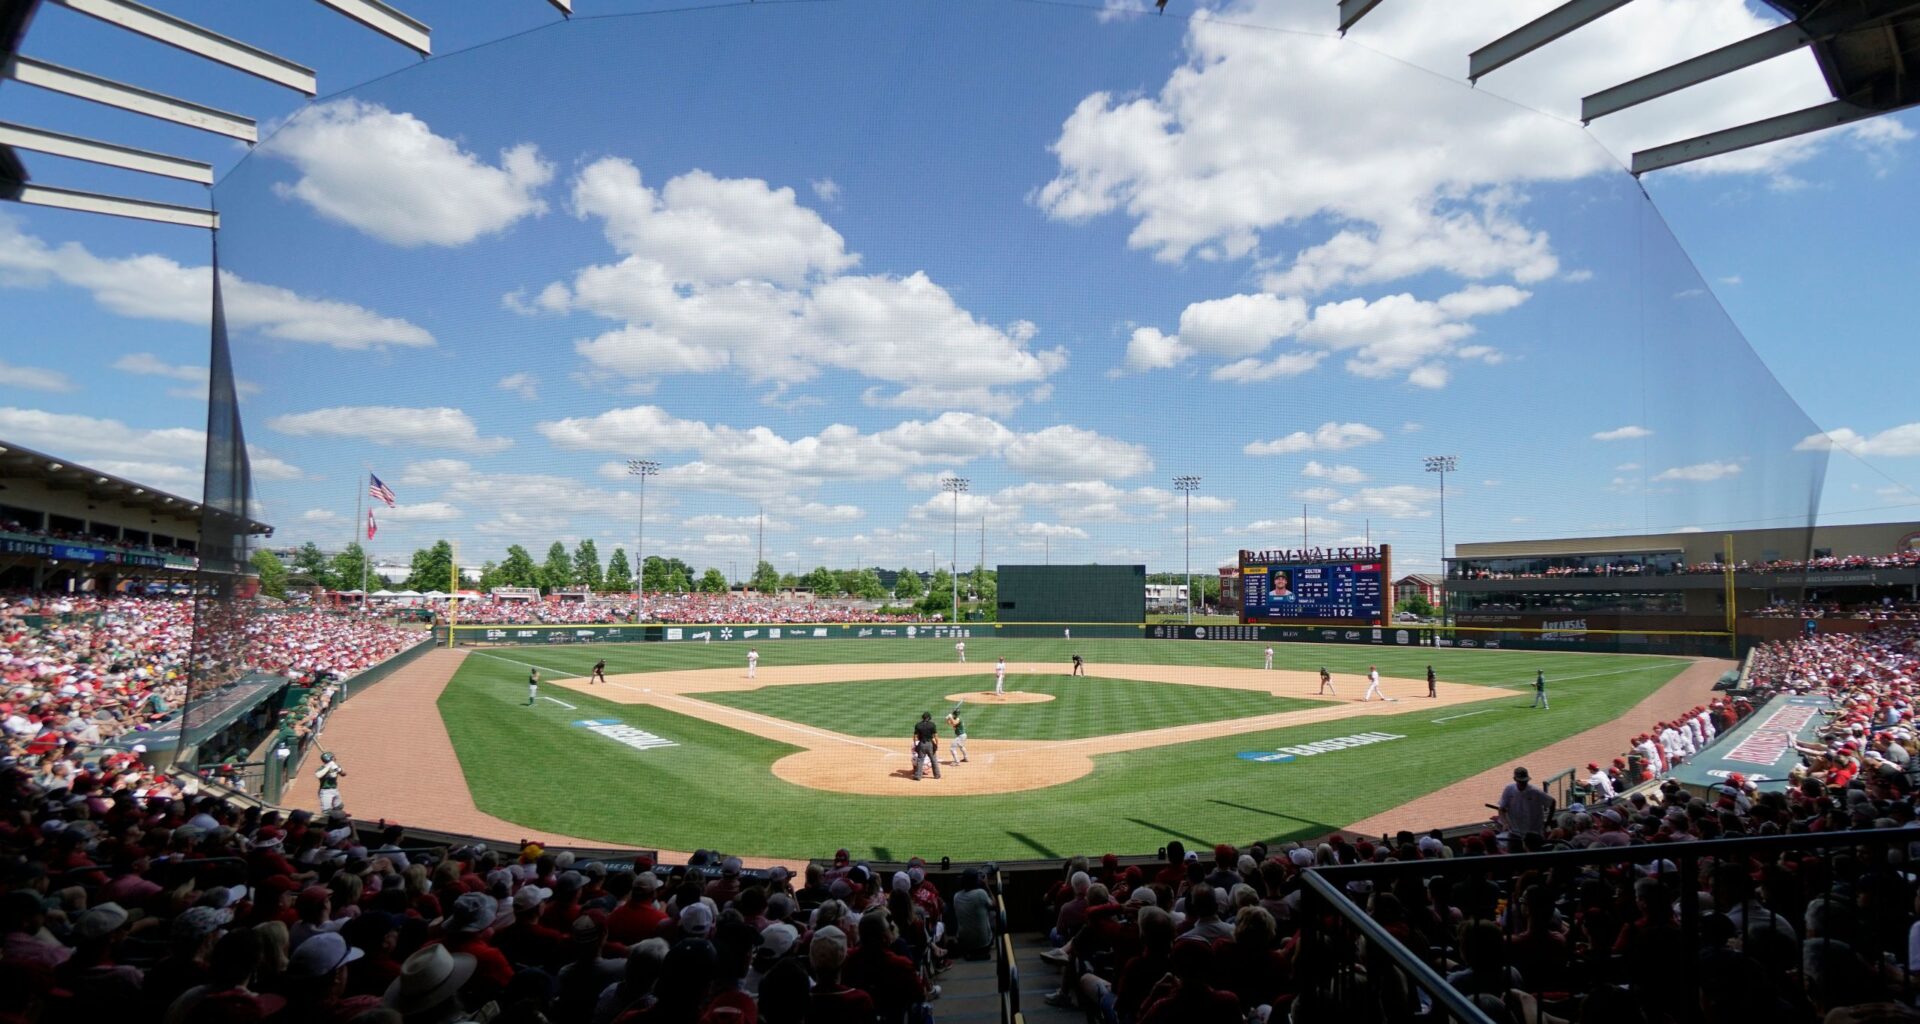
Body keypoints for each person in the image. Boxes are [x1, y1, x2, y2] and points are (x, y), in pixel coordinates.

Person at [1496, 766, 1553, 838]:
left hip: (1533, 834)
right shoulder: (1509, 789)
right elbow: (1501, 809)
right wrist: (1505, 823)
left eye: (1524, 781)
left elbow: (1552, 802)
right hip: (1515, 833)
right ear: (1515, 779)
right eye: (1521, 781)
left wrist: (1548, 823)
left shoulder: (1535, 792)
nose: (1523, 783)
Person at [912, 712, 941, 781]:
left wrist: (916, 744)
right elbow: (936, 736)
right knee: (933, 760)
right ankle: (937, 775)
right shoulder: (932, 725)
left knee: (920, 760)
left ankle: (918, 776)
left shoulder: (918, 725)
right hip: (930, 744)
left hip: (921, 744)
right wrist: (937, 744)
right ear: (929, 718)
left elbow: (915, 737)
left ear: (923, 717)